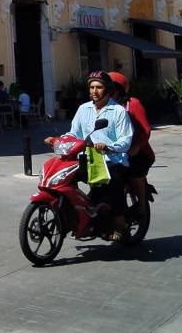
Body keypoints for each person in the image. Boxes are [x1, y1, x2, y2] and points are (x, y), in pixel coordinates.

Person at [45, 71, 133, 240]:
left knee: (113, 182)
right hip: (88, 159)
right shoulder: (83, 109)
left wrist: (108, 146)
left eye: (99, 87)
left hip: (112, 159)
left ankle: (120, 224)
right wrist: (57, 140)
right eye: (92, 87)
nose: (94, 91)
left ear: (107, 89)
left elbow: (126, 140)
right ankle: (79, 213)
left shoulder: (118, 111)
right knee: (64, 179)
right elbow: (74, 134)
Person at [108, 71, 154, 218]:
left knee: (134, 172)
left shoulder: (132, 104)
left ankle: (141, 207)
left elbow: (145, 130)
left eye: (110, 89)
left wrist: (136, 147)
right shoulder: (102, 107)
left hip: (138, 153)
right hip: (112, 152)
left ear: (119, 90)